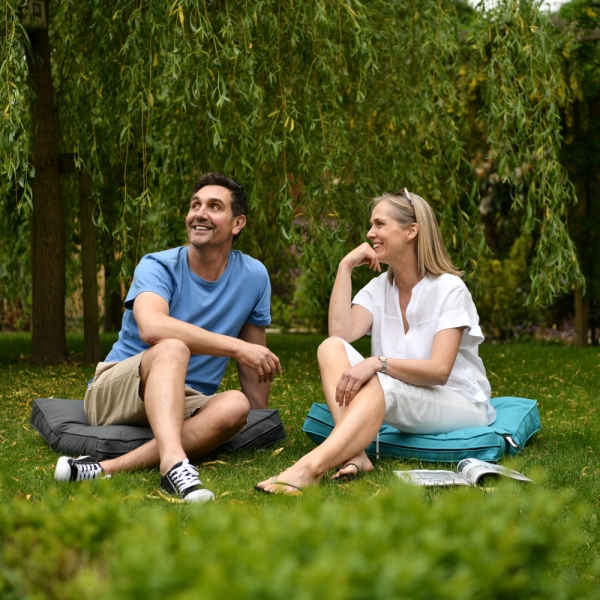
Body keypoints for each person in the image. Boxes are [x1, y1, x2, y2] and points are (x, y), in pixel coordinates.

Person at [55, 172, 281, 502]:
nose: (200, 214)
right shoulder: (157, 266)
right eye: (195, 205)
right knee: (173, 347)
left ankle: (106, 468)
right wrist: (237, 348)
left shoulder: (254, 276)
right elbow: (152, 328)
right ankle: (174, 465)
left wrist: (260, 421)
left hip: (186, 400)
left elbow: (255, 358)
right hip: (117, 389)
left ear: (237, 223)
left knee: (236, 404)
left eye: (214, 207)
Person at [256, 188, 494, 494]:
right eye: (371, 225)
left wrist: (378, 363)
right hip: (402, 395)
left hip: (458, 402)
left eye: (380, 224)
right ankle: (355, 453)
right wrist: (345, 267)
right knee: (330, 348)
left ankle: (308, 468)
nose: (370, 233)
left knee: (383, 382)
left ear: (411, 231)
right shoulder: (379, 287)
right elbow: (339, 336)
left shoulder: (450, 288)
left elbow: (439, 371)